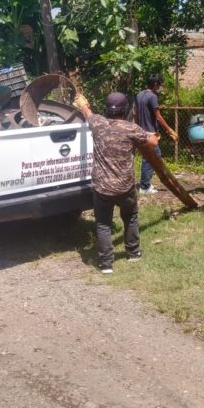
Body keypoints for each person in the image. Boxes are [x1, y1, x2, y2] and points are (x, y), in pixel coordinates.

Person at [73, 91, 159, 274]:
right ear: (125, 109)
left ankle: (106, 264)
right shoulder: (131, 129)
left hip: (102, 187)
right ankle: (133, 253)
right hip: (125, 187)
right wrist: (151, 135)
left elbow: (87, 112)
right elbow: (152, 142)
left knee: (103, 223)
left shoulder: (98, 123)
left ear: (107, 109)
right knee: (131, 217)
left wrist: (82, 103)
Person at [133, 74, 178, 194]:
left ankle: (146, 183)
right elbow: (158, 116)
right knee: (151, 158)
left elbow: (135, 114)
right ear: (155, 84)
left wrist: (138, 128)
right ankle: (144, 186)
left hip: (141, 131)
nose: (161, 87)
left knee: (150, 157)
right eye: (160, 84)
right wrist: (170, 130)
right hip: (150, 133)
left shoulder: (139, 95)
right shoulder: (152, 97)